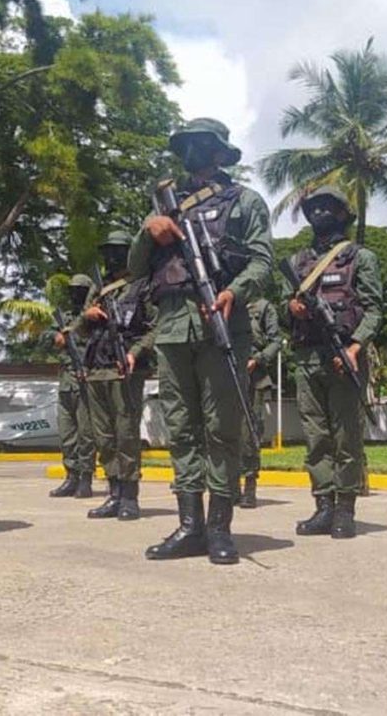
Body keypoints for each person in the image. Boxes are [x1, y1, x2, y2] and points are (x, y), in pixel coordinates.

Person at [128, 117, 273, 565]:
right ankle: (190, 525)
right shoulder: (164, 209)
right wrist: (148, 231)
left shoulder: (245, 201)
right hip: (172, 327)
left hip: (221, 322)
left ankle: (219, 527)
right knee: (181, 428)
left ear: (218, 152)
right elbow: (135, 269)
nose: (191, 152)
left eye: (200, 145)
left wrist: (234, 291)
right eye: (186, 145)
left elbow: (263, 261)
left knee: (221, 427)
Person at [284, 187, 383, 539]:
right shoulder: (298, 262)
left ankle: (345, 508)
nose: (320, 214)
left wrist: (356, 347)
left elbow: (374, 310)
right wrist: (292, 308)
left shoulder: (360, 257)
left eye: (328, 208)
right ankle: (323, 506)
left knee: (346, 437)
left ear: (343, 214)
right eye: (314, 209)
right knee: (316, 437)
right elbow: (286, 304)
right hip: (308, 357)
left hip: (345, 357)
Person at [77, 231, 157, 521]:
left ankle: (130, 495)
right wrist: (88, 317)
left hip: (125, 368)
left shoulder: (142, 285)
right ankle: (113, 493)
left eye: (117, 251)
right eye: (107, 251)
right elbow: (80, 328)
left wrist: (135, 352)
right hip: (97, 368)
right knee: (104, 436)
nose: (111, 257)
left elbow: (155, 327)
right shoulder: (99, 288)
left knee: (126, 434)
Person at [49, 274, 96, 498]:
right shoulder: (64, 317)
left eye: (80, 290)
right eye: (73, 290)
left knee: (86, 433)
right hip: (66, 380)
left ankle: (86, 477)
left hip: (86, 379)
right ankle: (71, 475)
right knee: (67, 433)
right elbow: (46, 338)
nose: (75, 294)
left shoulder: (92, 317)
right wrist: (56, 337)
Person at [237, 297, 281, 509]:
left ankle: (249, 485)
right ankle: (230, 486)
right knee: (226, 432)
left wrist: (259, 359)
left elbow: (276, 341)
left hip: (254, 378)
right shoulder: (226, 301)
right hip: (229, 374)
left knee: (250, 433)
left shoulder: (263, 307)